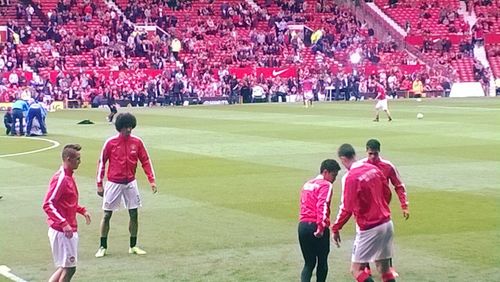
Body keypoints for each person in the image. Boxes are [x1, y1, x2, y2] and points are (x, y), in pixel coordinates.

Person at [332, 144, 397, 282]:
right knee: (384, 269)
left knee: (356, 270)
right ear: (354, 155)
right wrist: (381, 208)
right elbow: (387, 193)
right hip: (387, 223)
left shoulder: (350, 177)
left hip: (370, 227)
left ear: (343, 159)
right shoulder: (374, 169)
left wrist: (336, 228)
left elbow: (346, 208)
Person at [95, 113, 157, 258]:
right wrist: (99, 184)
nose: (129, 130)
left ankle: (133, 245)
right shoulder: (110, 143)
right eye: (126, 127)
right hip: (113, 183)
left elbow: (145, 161)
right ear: (119, 128)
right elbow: (101, 163)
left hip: (130, 182)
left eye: (130, 127)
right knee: (107, 214)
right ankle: (102, 246)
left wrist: (151, 180)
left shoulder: (137, 142)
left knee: (134, 214)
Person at [361, 139, 410, 277]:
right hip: (365, 208)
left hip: (382, 207)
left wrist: (404, 206)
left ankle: (389, 266)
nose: (372, 157)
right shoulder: (360, 166)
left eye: (375, 154)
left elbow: (399, 186)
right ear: (366, 151)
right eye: (370, 154)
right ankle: (365, 267)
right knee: (364, 235)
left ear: (379, 152)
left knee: (385, 236)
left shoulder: (387, 166)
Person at [42, 144, 91, 282]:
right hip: (63, 231)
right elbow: (48, 204)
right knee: (70, 268)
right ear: (68, 159)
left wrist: (81, 210)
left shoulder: (69, 176)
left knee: (65, 267)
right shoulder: (61, 178)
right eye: (78, 159)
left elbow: (66, 202)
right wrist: (63, 223)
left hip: (66, 229)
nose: (80, 162)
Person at [298, 159, 341, 282]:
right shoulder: (325, 185)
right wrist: (321, 227)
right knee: (322, 261)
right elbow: (322, 205)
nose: (334, 179)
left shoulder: (307, 184)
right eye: (333, 175)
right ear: (325, 172)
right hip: (316, 226)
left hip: (303, 226)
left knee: (309, 263)